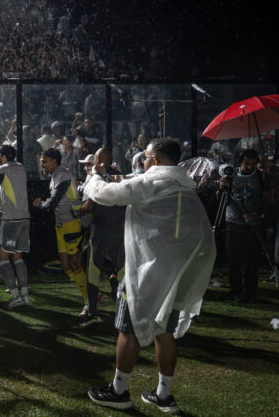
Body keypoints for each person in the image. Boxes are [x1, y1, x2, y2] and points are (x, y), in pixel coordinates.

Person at [85, 138, 216, 413]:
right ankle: (164, 394)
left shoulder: (152, 183)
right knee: (164, 331)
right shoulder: (184, 186)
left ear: (155, 160)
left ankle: (118, 391)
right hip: (174, 274)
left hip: (147, 271)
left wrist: (94, 174)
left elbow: (107, 194)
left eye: (145, 157)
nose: (142, 162)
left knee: (127, 329)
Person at [33, 148, 88, 316]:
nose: (42, 165)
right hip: (61, 225)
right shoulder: (55, 176)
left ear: (54, 162)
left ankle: (89, 302)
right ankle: (92, 296)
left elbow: (52, 203)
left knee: (75, 264)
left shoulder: (62, 175)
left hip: (71, 224)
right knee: (66, 266)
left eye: (44, 161)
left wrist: (39, 204)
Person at [79, 147, 125, 326]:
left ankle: (91, 311)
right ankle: (125, 311)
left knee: (93, 271)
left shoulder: (95, 177)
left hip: (100, 230)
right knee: (121, 272)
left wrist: (78, 211)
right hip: (119, 229)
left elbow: (89, 204)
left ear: (97, 159)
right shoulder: (120, 175)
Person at [218, 149, 270, 303]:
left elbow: (268, 199)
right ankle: (236, 292)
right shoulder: (231, 176)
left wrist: (257, 214)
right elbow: (220, 198)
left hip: (253, 226)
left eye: (253, 164)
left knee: (252, 262)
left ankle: (250, 291)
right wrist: (221, 188)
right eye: (246, 163)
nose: (249, 167)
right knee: (234, 261)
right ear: (240, 162)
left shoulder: (261, 177)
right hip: (233, 224)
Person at [0, 144, 30, 308]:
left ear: (3, 156)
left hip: (10, 220)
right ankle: (24, 295)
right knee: (18, 257)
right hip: (25, 218)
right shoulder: (21, 168)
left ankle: (15, 296)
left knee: (2, 258)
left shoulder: (2, 169)